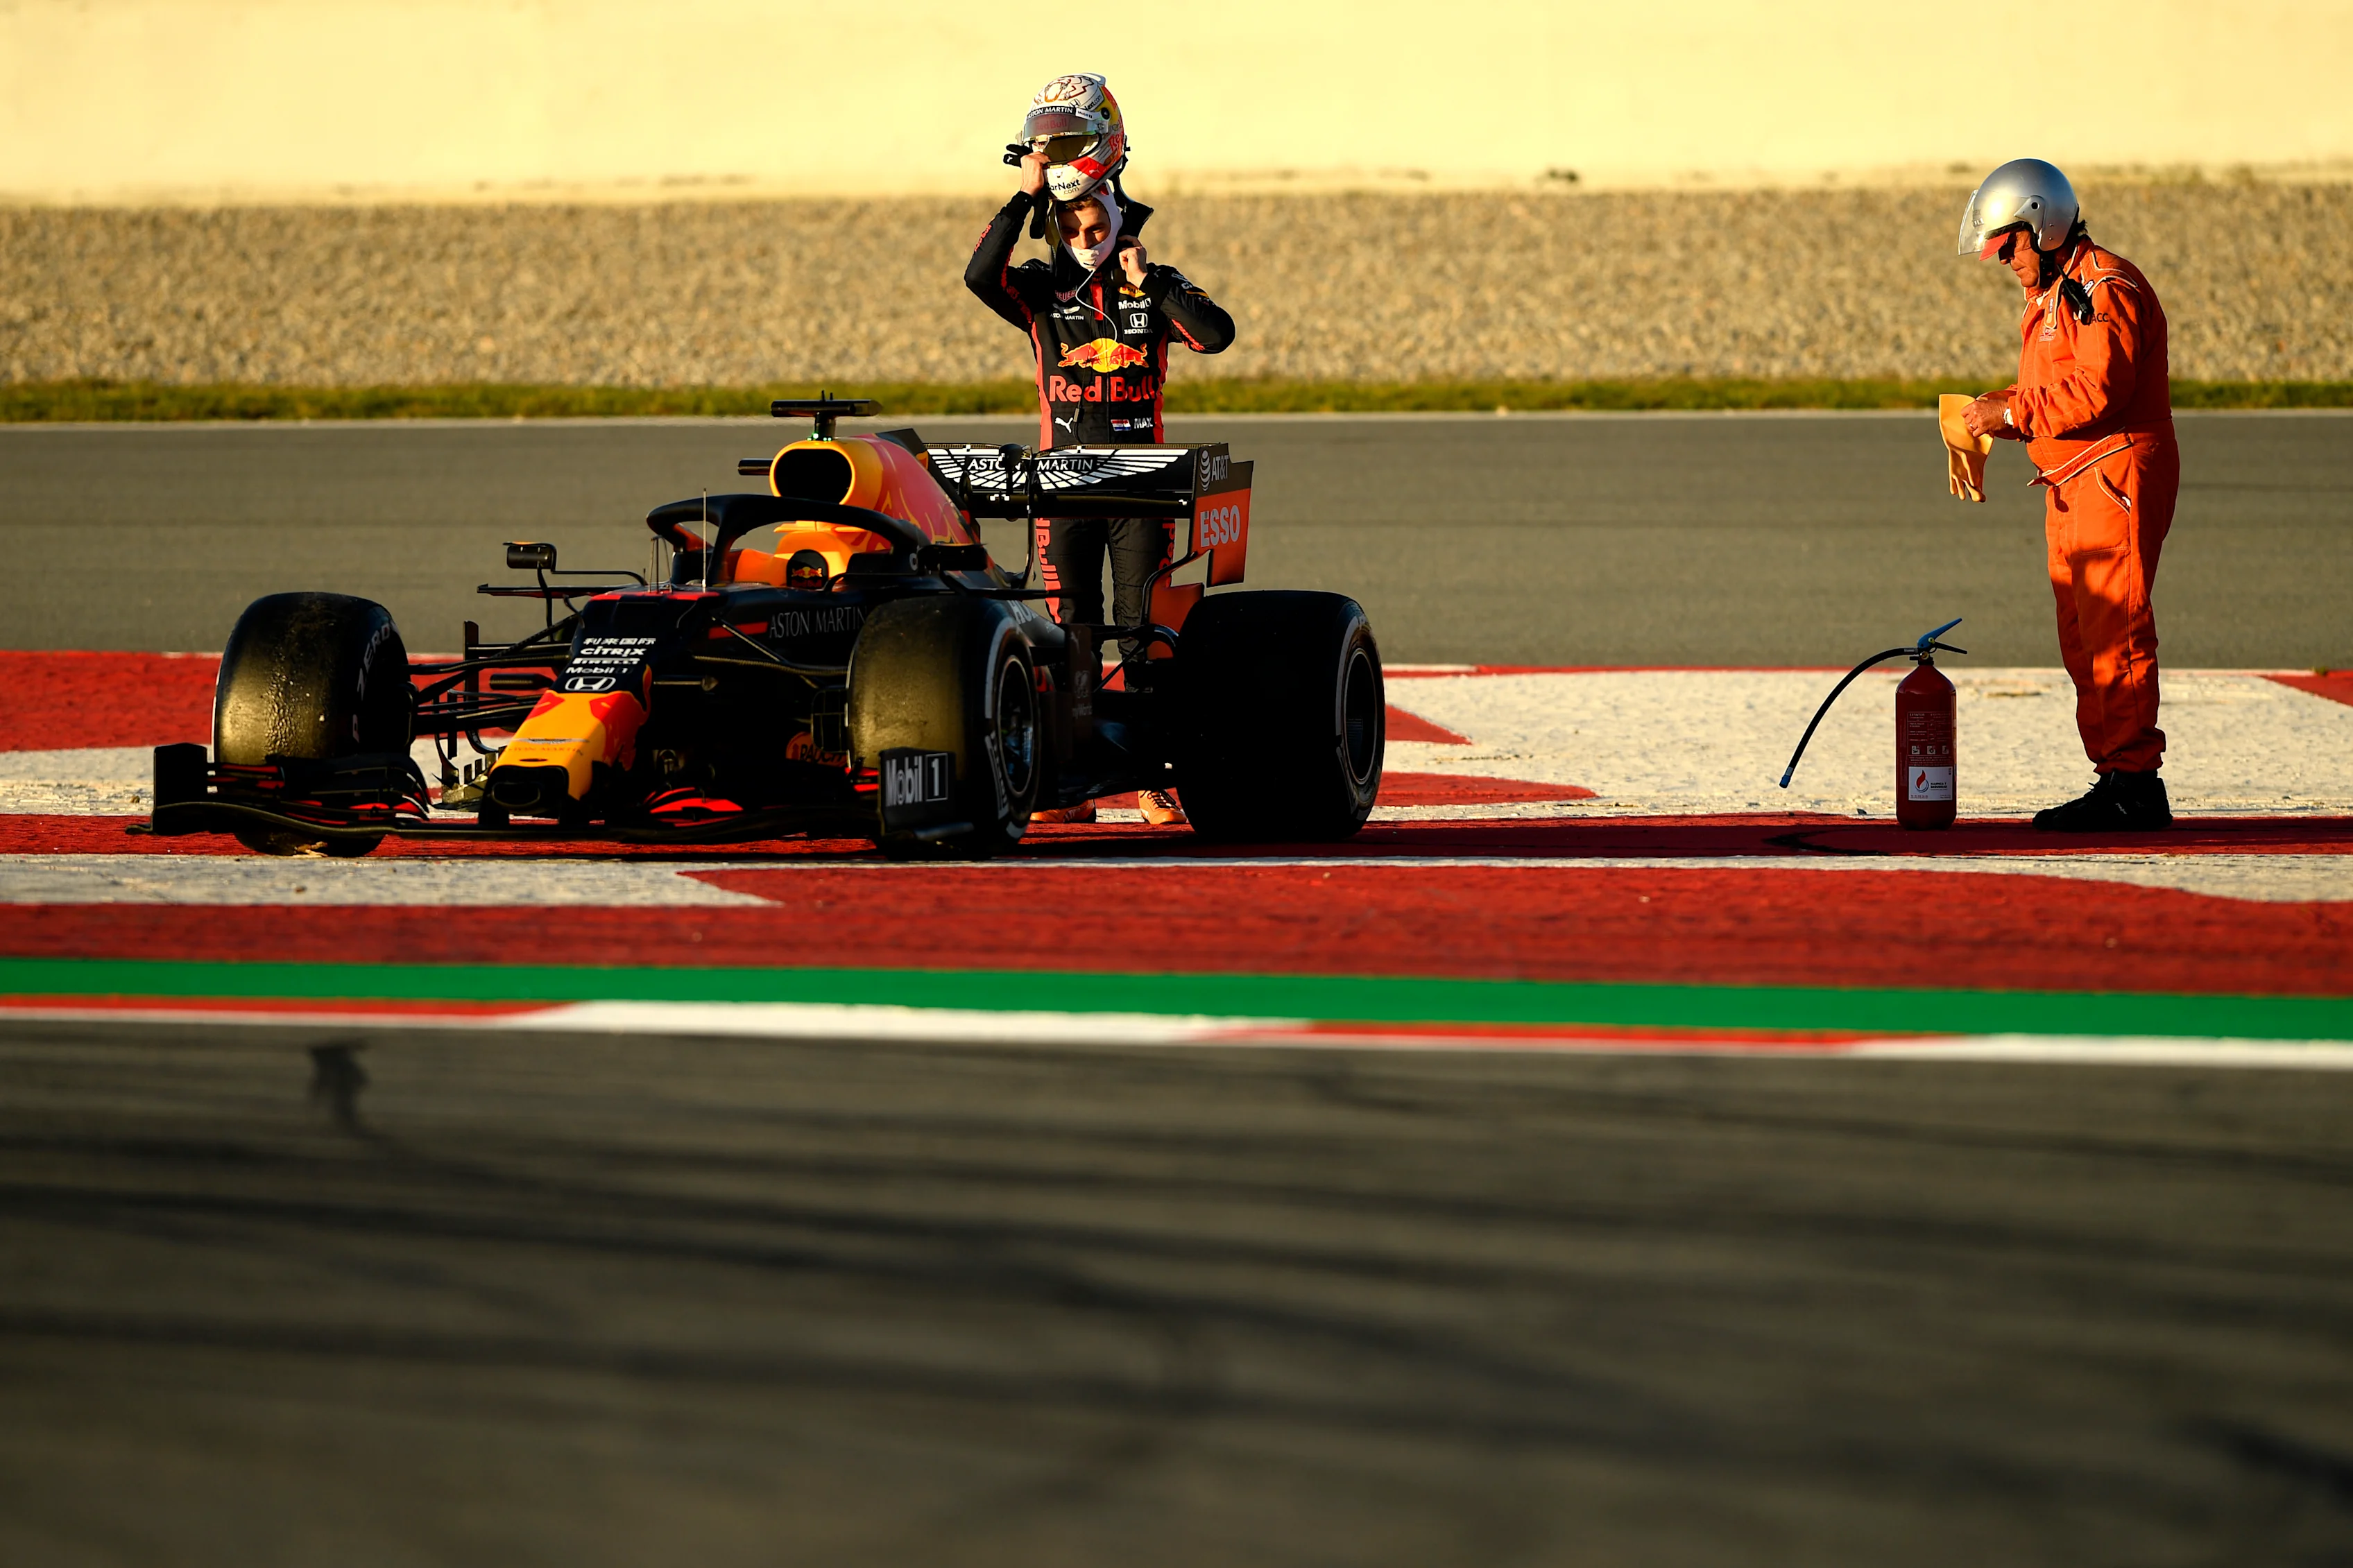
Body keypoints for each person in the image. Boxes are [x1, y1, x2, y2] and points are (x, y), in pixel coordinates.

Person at [965, 73, 1235, 826]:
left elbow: (1216, 336)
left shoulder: (1153, 286)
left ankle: (1152, 777)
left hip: (1141, 491)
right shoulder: (1037, 295)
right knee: (1069, 633)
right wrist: (1025, 193)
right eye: (1073, 230)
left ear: (1117, 216)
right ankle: (1068, 775)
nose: (1087, 241)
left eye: (1097, 227)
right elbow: (975, 274)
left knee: (1143, 629)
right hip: (1059, 491)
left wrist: (1151, 282)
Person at [1958, 158, 2177, 831]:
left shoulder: (2099, 287)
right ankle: (2114, 772)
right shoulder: (2055, 294)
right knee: (2082, 635)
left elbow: (2098, 390)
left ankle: (2134, 784)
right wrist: (2000, 405)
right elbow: (2061, 388)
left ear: (2041, 224)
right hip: (2072, 479)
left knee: (2114, 626)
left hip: (2110, 475)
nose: (2004, 262)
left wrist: (2013, 415)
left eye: (2009, 246)